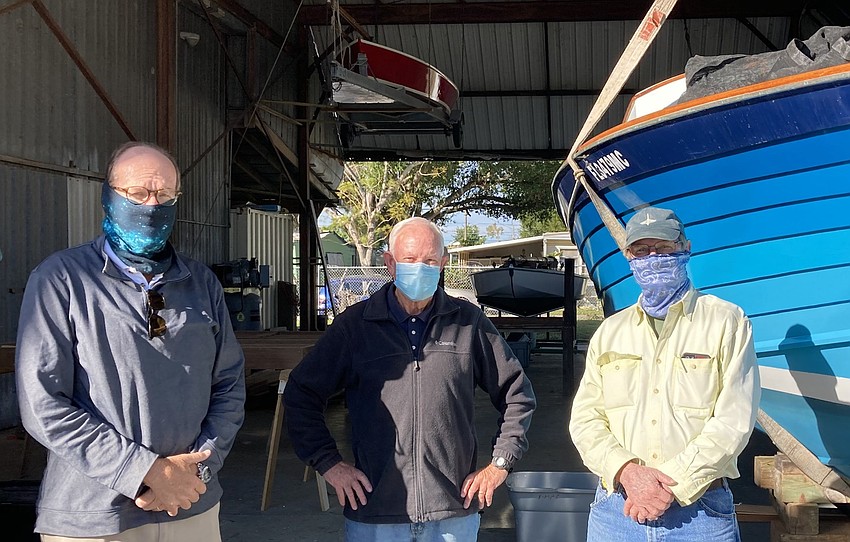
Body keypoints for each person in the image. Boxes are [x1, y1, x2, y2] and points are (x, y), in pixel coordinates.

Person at [15, 141, 246, 541]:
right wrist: (143, 471)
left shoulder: (201, 284)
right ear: (108, 197)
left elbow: (229, 385)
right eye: (138, 194)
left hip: (190, 506)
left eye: (164, 195)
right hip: (93, 517)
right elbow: (43, 404)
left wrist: (197, 469)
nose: (151, 206)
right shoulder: (61, 280)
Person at [284, 216, 536, 542]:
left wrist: (500, 463)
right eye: (410, 260)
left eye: (430, 261)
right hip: (375, 512)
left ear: (443, 264)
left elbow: (517, 394)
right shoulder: (355, 326)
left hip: (452, 514)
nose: (421, 268)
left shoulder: (468, 323)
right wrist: (329, 463)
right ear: (390, 263)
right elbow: (302, 392)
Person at [569, 206, 760, 541]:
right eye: (641, 250)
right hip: (617, 513)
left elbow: (734, 419)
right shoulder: (610, 332)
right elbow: (585, 420)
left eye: (663, 247)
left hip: (700, 515)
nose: (652, 258)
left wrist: (669, 484)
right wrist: (628, 472)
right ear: (628, 256)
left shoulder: (726, 322)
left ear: (685, 248)